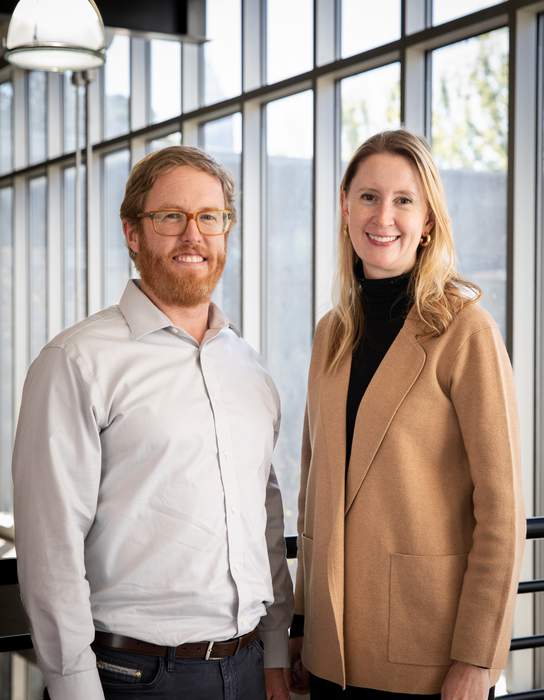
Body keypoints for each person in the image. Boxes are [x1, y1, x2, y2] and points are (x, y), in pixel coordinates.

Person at [12, 146, 294, 700]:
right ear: (132, 232)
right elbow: (50, 550)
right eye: (170, 217)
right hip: (132, 679)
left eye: (209, 217)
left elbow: (265, 515)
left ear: (226, 232)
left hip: (249, 668)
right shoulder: (76, 361)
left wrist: (277, 651)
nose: (193, 235)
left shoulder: (248, 366)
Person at [285, 130, 525, 699]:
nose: (383, 216)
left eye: (403, 200)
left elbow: (502, 510)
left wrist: (477, 657)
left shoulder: (467, 331)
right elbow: (312, 489)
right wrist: (300, 623)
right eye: (368, 197)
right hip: (328, 653)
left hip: (429, 654)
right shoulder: (331, 333)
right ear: (345, 209)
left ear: (428, 222)